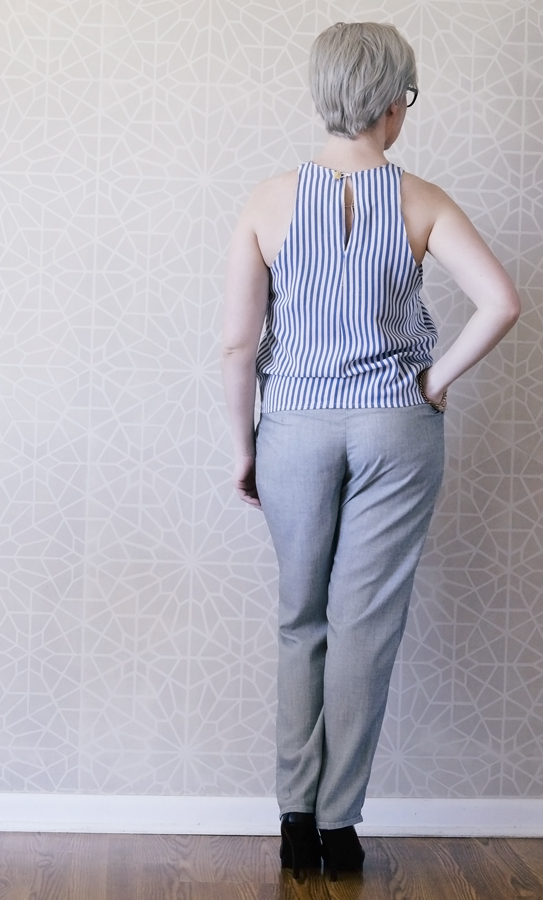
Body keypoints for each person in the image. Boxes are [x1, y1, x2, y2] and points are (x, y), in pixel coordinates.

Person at [221, 21, 520, 880]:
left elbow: (237, 345)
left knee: (301, 619)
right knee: (365, 626)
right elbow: (501, 302)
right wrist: (434, 380)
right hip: (396, 424)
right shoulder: (422, 200)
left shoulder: (267, 201)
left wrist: (242, 447)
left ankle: (293, 818)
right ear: (392, 102)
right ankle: (339, 826)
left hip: (294, 424)